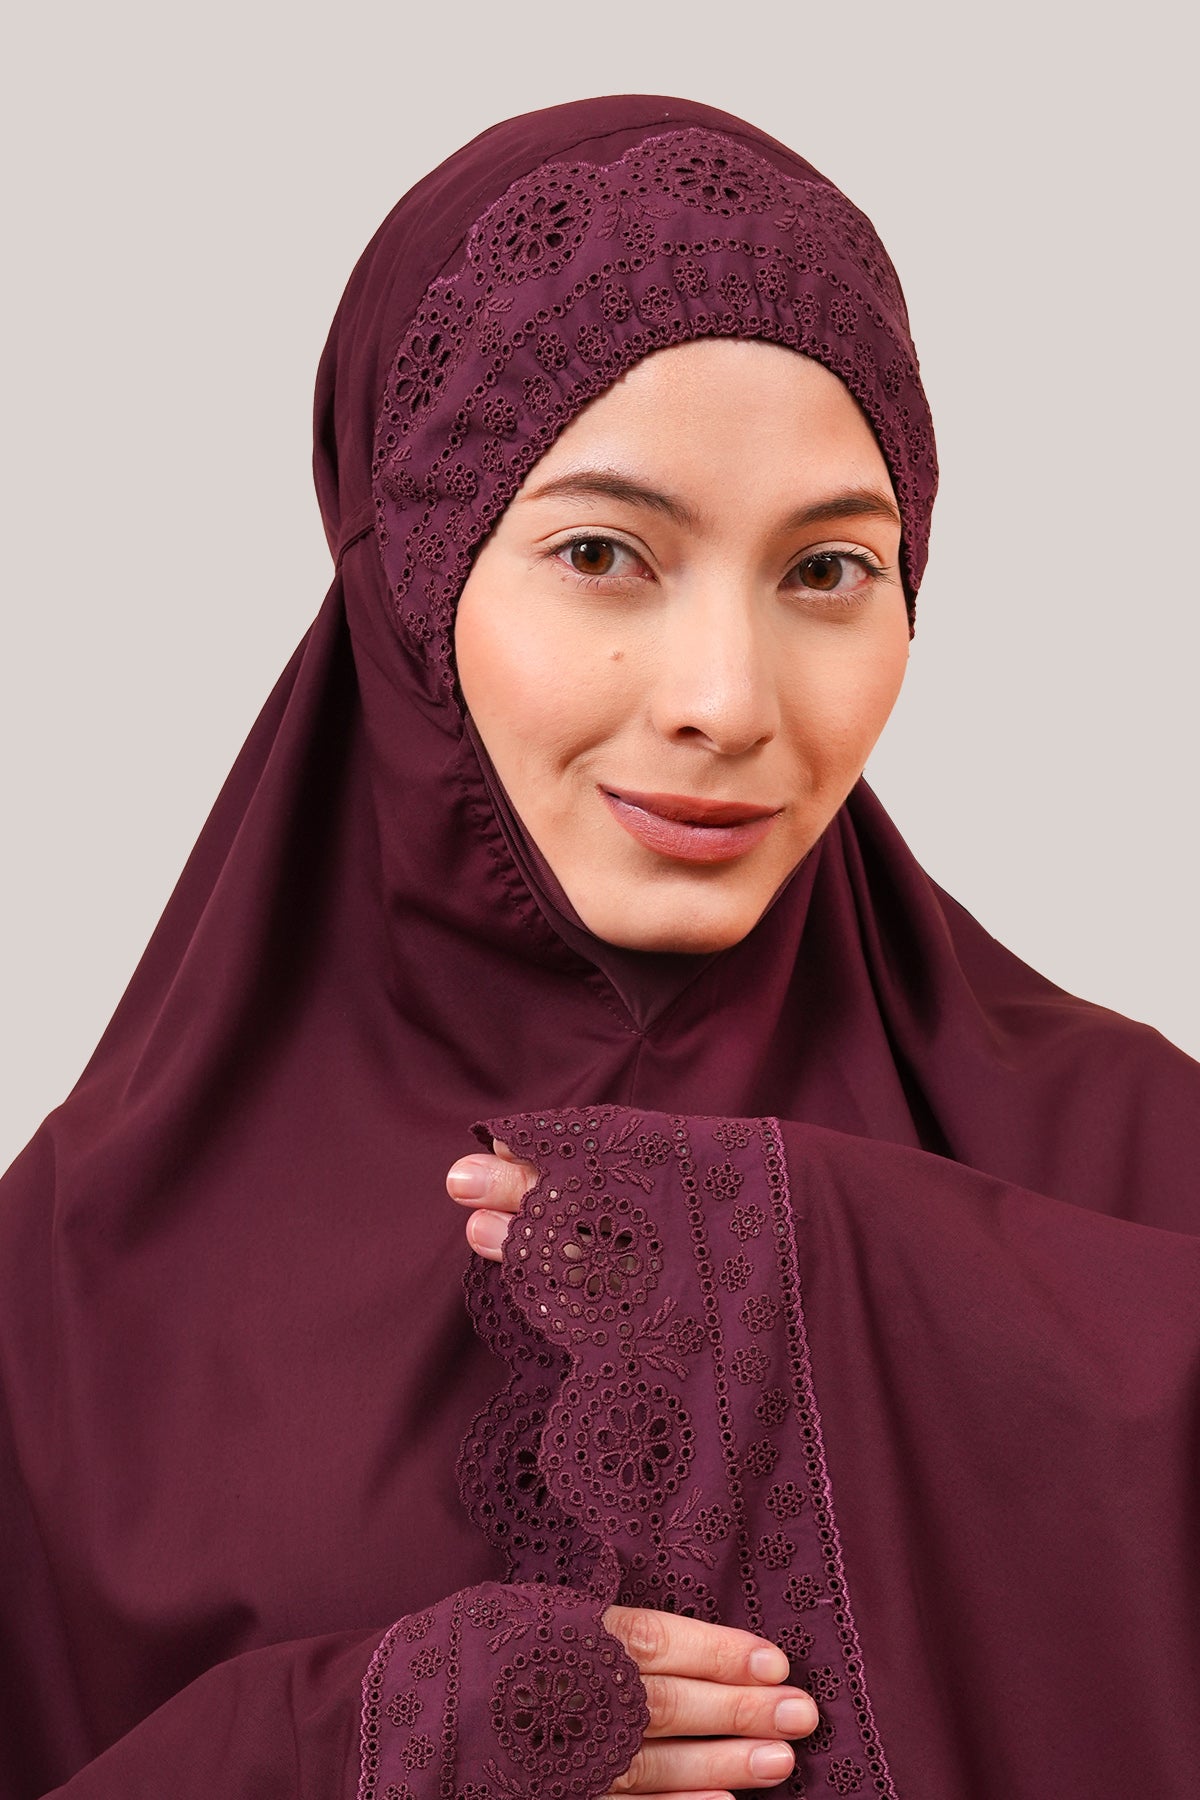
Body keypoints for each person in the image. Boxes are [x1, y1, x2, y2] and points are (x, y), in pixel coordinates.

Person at [1, 92, 1197, 1800]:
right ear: (412, 585)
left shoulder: (1131, 1155)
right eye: (601, 553)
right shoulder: (66, 1280)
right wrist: (348, 1747)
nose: (727, 700)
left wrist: (836, 1269)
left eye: (830, 569)